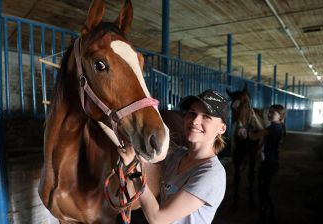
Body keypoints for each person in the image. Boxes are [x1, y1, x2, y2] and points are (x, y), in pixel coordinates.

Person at [119, 89, 229, 224]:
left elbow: (157, 219)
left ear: (222, 128)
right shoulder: (176, 156)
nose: (195, 121)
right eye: (192, 113)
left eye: (206, 116)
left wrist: (134, 172)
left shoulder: (211, 174)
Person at [249, 104, 286, 224]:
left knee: (263, 191)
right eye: (269, 112)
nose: (269, 114)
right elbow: (265, 137)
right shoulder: (281, 126)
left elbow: (254, 136)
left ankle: (264, 217)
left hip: (268, 164)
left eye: (273, 113)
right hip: (273, 162)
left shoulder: (273, 128)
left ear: (280, 116)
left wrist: (247, 131)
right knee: (266, 189)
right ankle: (269, 215)